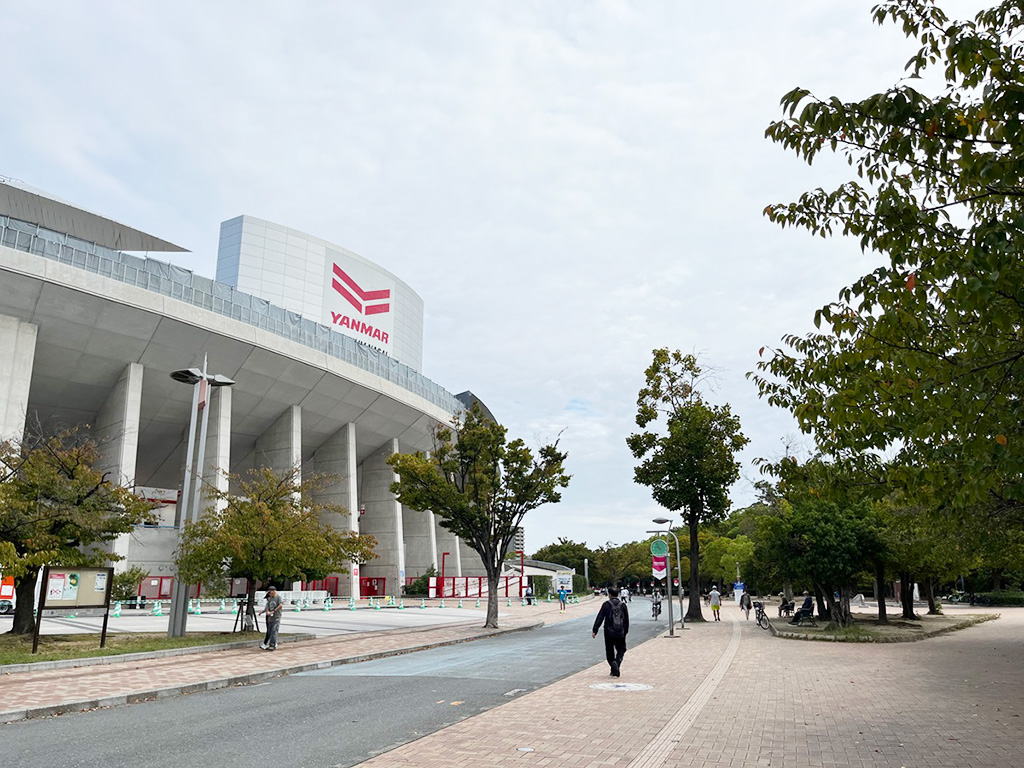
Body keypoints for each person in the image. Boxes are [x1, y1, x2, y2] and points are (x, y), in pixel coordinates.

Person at [592, 585, 629, 677]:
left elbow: (600, 618)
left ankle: (613, 664)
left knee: (609, 650)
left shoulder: (606, 605)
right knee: (621, 649)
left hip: (608, 631)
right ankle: (617, 663)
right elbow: (626, 620)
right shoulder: (623, 605)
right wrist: (625, 631)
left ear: (609, 594)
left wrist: (595, 630)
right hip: (620, 632)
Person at [260, 585, 284, 650]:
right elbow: (267, 606)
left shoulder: (278, 597)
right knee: (270, 631)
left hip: (276, 617)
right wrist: (267, 612)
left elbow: (281, 604)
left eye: (270, 592)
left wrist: (274, 611)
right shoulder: (270, 598)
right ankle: (270, 644)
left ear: (274, 591)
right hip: (270, 618)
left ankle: (272, 645)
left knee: (274, 631)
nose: (270, 593)